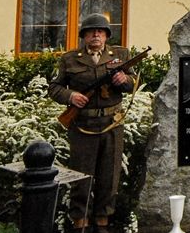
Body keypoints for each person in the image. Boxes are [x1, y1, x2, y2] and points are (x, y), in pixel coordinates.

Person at [49, 13, 136, 233]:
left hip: (111, 124)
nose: (96, 35)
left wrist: (124, 80)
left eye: (100, 31)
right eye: (91, 31)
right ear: (84, 36)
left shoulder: (121, 55)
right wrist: (71, 97)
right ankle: (81, 221)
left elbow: (134, 82)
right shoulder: (70, 59)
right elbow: (55, 88)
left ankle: (103, 221)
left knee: (109, 177)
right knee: (82, 177)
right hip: (83, 126)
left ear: (107, 36)